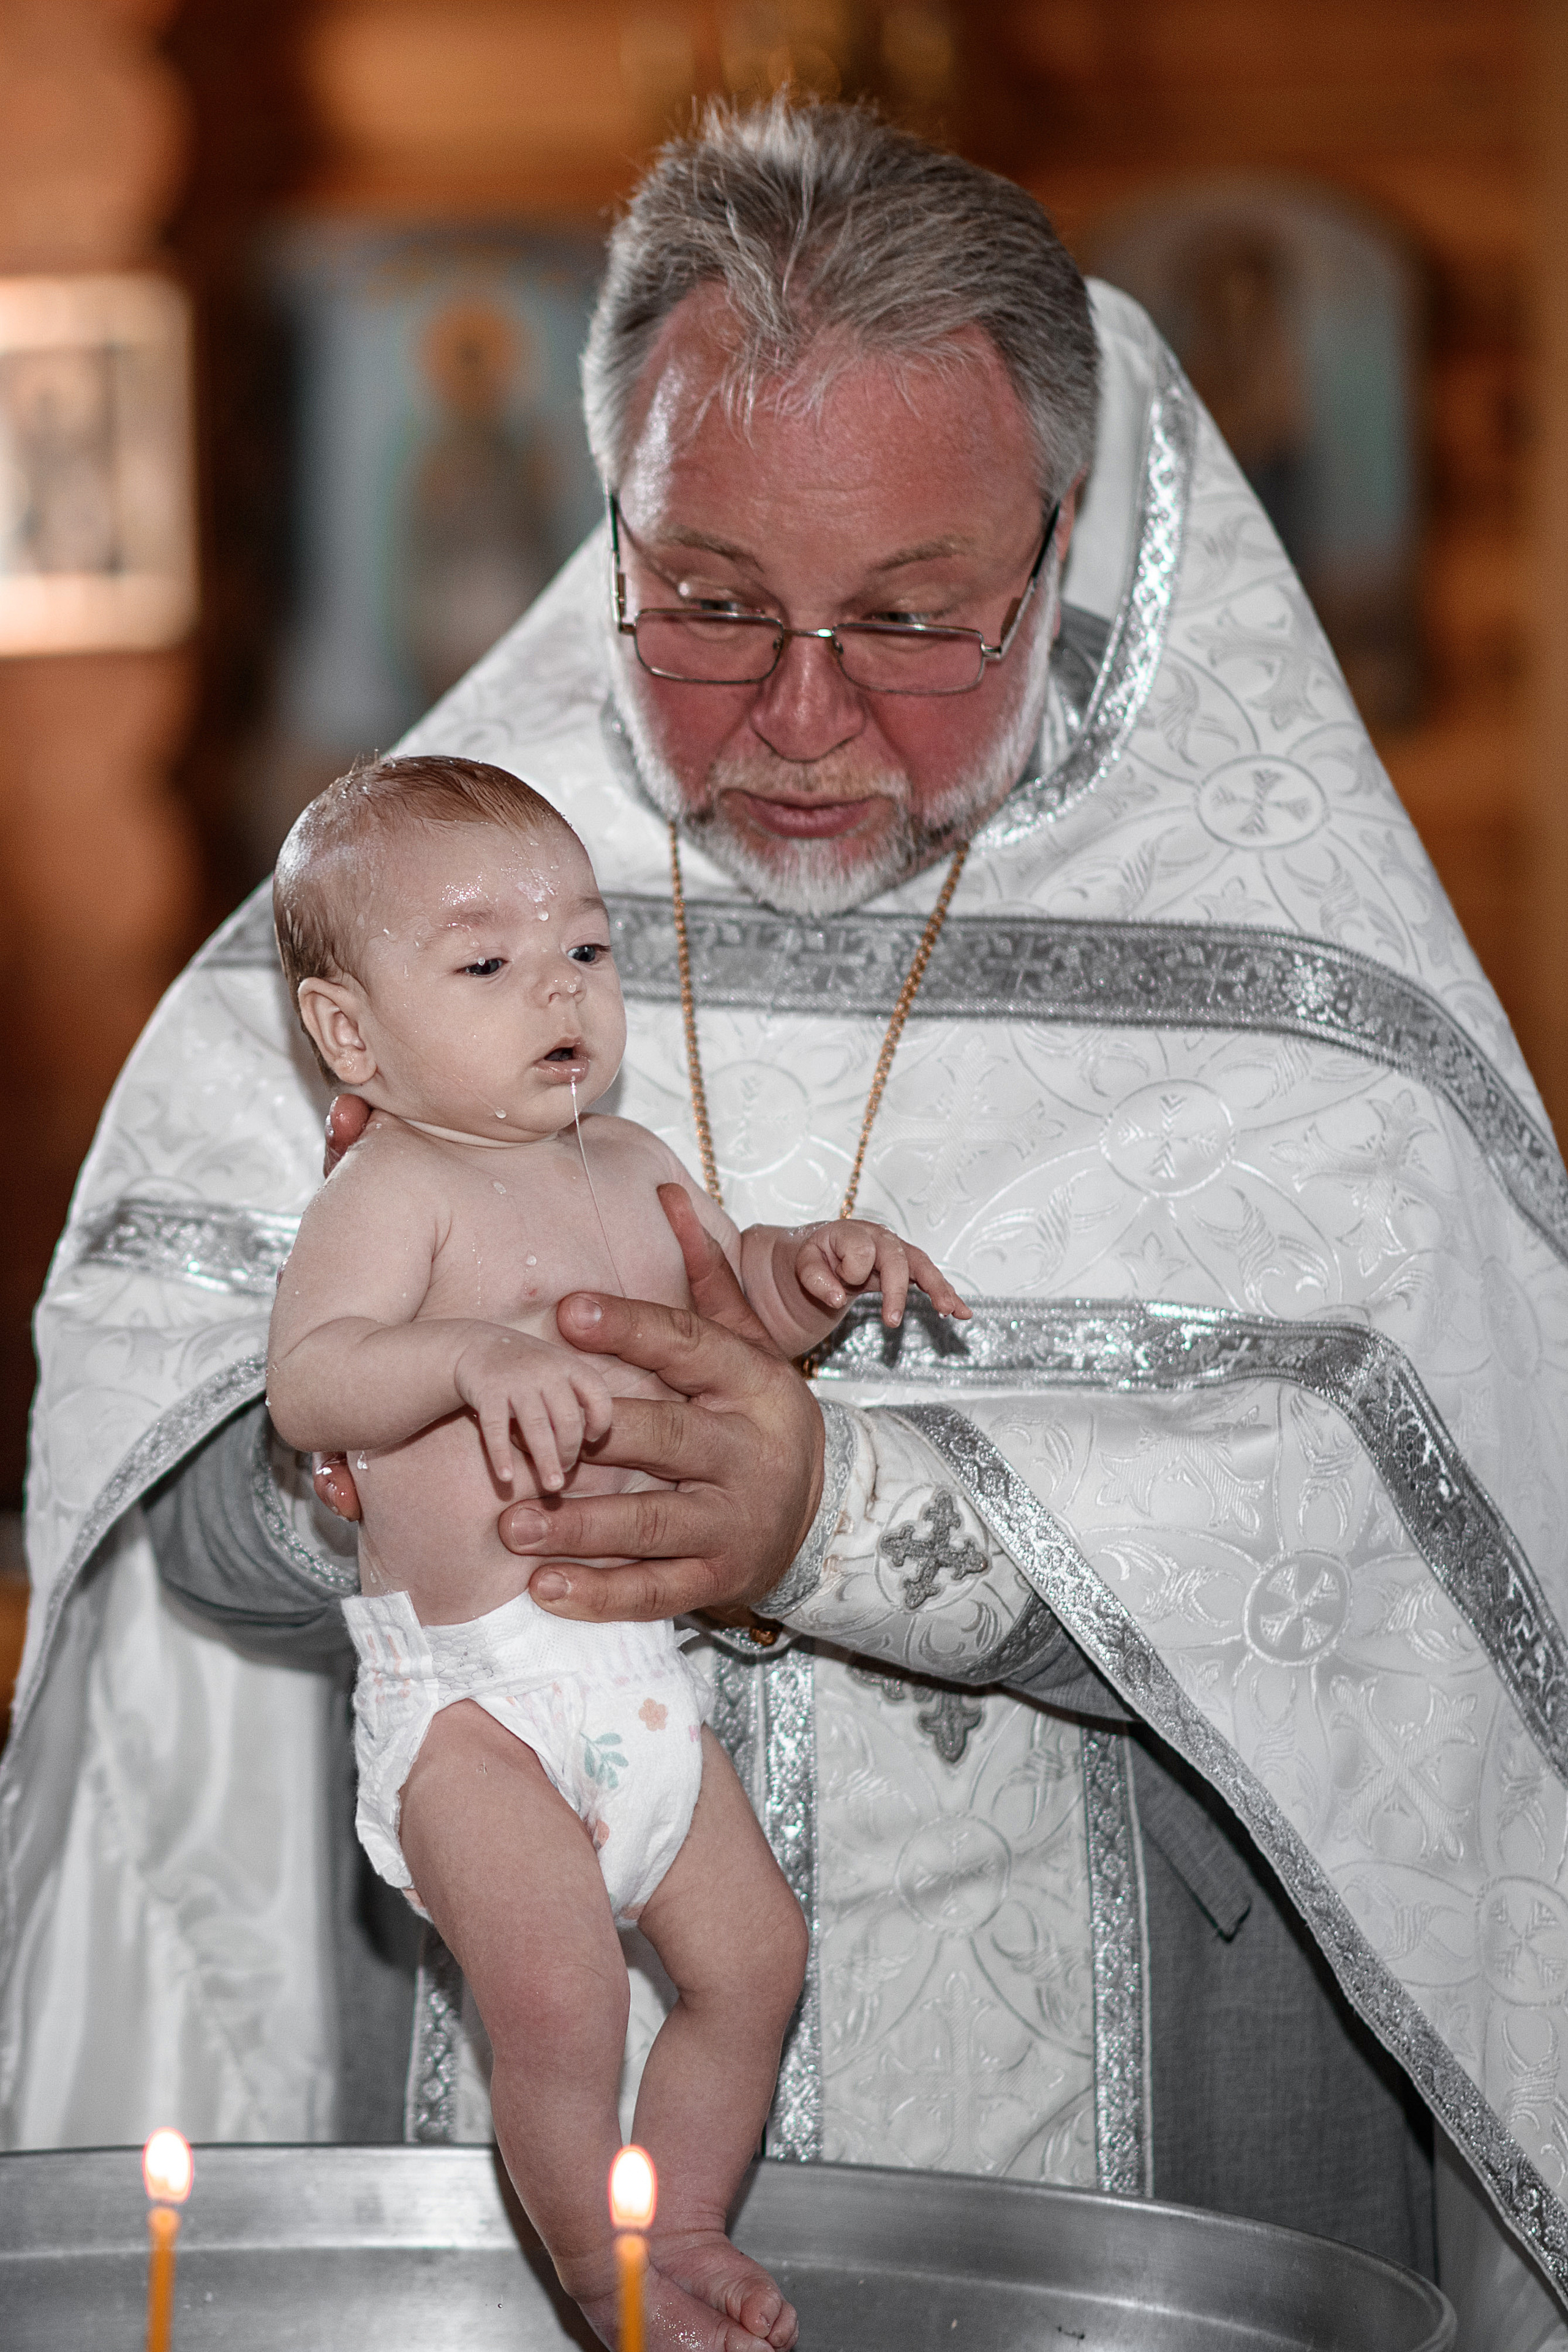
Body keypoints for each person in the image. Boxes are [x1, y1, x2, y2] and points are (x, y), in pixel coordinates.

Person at [5, 95, 1568, 2351]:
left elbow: (1422, 1614)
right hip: (488, 2149)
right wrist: (354, 1469)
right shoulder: (417, 921)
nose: (804, 718)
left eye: (915, 620)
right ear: (615, 525)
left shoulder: (1314, 1027)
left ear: (1059, 545)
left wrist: (831, 1519)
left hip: (1111, 2187)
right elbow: (170, 1516)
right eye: (714, 605)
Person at [266, 750, 962, 2351]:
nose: (558, 988)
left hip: (637, 1688)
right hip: (470, 1708)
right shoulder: (394, 1188)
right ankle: (602, 2272)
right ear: (350, 1036)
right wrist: (468, 1356)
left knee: (756, 1962)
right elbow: (310, 1382)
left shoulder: (636, 1163)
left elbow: (727, 1315)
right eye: (487, 964)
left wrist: (808, 1271)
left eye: (585, 946)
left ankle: (688, 2221)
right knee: (563, 1996)